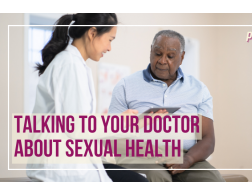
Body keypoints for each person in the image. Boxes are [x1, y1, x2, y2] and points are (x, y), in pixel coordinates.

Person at [28, 13, 149, 182]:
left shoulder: (76, 64)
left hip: (69, 160)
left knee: (136, 178)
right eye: (110, 39)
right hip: (58, 166)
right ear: (92, 33)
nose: (109, 47)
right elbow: (77, 128)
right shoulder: (70, 65)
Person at [108, 30, 225, 182]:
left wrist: (188, 159)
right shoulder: (125, 86)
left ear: (181, 57)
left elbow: (208, 139)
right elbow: (111, 135)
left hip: (183, 155)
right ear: (151, 51)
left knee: (213, 178)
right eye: (157, 53)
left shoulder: (199, 90)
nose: (162, 60)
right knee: (159, 176)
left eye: (170, 56)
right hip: (139, 154)